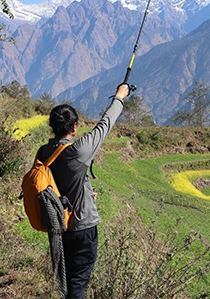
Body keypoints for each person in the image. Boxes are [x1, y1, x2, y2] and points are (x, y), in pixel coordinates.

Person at [35, 83, 129, 299]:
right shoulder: (79, 150)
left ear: (52, 126)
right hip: (82, 227)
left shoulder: (43, 152)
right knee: (78, 284)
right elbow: (105, 125)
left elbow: (54, 185)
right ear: (74, 127)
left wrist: (86, 194)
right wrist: (119, 97)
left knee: (66, 282)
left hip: (57, 225)